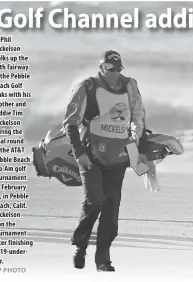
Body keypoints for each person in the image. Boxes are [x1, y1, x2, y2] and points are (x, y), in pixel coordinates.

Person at [62, 50, 148, 271]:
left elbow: (137, 117)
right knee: (95, 202)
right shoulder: (87, 87)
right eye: (110, 69)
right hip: (91, 155)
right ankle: (80, 246)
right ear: (101, 68)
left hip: (118, 156)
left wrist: (135, 144)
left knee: (111, 207)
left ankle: (103, 259)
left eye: (119, 69)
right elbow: (70, 123)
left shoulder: (129, 86)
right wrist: (79, 154)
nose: (115, 74)